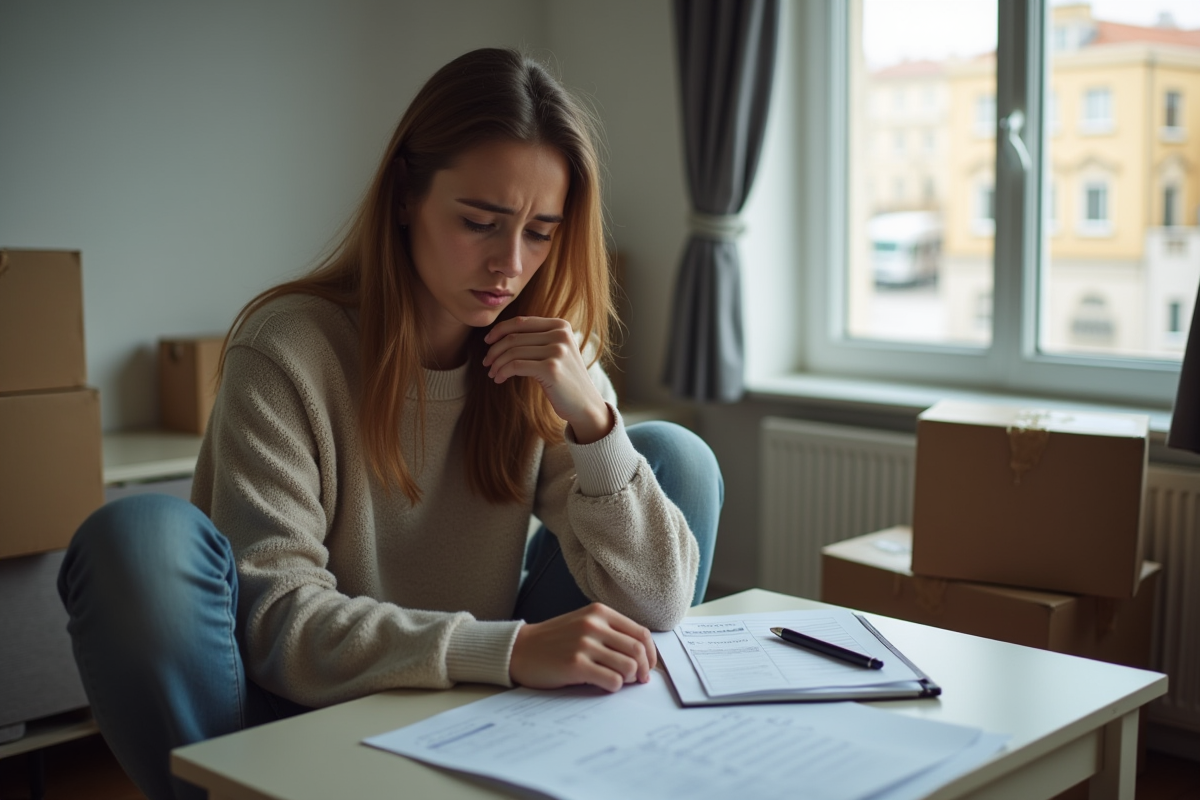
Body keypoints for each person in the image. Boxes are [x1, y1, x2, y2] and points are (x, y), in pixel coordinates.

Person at [56, 47, 722, 800]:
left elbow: (662, 599)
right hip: (294, 705)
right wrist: (504, 649)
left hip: (483, 696)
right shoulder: (288, 349)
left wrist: (595, 423)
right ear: (405, 194)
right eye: (480, 221)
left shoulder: (543, 344)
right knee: (136, 539)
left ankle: (567, 774)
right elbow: (277, 621)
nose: (510, 263)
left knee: (674, 458)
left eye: (540, 231)